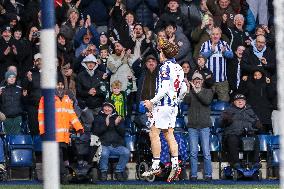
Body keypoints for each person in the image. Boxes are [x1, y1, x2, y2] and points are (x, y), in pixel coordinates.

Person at [142, 37, 186, 182]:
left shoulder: (164, 67)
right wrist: (177, 100)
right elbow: (184, 88)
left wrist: (152, 102)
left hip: (162, 106)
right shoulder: (179, 67)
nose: (159, 55)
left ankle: (155, 165)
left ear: (164, 54)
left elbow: (164, 88)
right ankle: (174, 163)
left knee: (154, 134)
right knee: (169, 134)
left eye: (160, 53)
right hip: (173, 106)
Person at [38, 80, 84, 184]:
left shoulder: (67, 99)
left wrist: (78, 127)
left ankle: (58, 177)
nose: (60, 86)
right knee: (58, 155)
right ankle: (63, 176)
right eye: (57, 84)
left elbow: (71, 114)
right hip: (52, 134)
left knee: (60, 156)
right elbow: (41, 116)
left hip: (63, 135)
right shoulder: (45, 98)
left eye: (61, 84)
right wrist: (43, 131)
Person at [183, 72, 214, 181]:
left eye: (199, 80)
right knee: (193, 152)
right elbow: (186, 101)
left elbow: (206, 101)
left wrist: (196, 91)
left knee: (206, 152)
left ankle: (208, 174)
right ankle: (194, 175)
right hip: (192, 127)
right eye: (195, 80)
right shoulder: (191, 92)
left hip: (205, 126)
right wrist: (187, 89)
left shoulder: (208, 92)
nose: (197, 81)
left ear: (202, 81)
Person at [221, 94, 262, 169]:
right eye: (238, 101)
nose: (240, 102)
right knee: (232, 139)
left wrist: (257, 123)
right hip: (234, 133)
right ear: (234, 102)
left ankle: (255, 162)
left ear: (245, 102)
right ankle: (236, 163)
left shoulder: (250, 110)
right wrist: (226, 120)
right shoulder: (228, 110)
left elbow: (256, 120)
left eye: (242, 100)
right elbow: (221, 122)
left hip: (248, 133)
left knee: (255, 138)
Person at [92, 102, 130, 182]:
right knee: (104, 153)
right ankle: (103, 172)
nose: (107, 109)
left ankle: (119, 171)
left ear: (113, 109)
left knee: (126, 152)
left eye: (109, 107)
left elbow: (123, 133)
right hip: (104, 144)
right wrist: (105, 124)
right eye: (105, 107)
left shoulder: (118, 118)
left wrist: (117, 124)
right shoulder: (98, 118)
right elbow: (95, 132)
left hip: (116, 145)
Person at [200, 27, 233, 102]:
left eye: (217, 34)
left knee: (224, 102)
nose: (215, 36)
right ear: (210, 35)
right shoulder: (205, 44)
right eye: (213, 34)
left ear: (220, 35)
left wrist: (225, 52)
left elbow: (231, 55)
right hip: (208, 80)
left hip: (222, 80)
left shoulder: (224, 44)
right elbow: (201, 57)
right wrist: (211, 51)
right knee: (206, 102)